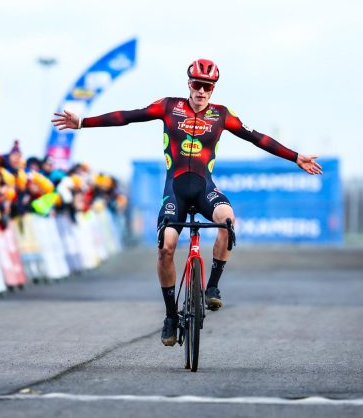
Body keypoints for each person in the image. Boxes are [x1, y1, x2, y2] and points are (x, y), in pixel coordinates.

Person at [52, 58, 322, 346]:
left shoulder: (222, 115)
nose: (201, 91)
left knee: (227, 220)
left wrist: (296, 157)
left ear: (213, 89)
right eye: (197, 85)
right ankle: (170, 316)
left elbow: (257, 138)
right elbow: (127, 116)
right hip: (176, 191)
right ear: (188, 84)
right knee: (166, 247)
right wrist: (82, 123)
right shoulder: (169, 107)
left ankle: (213, 287)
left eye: (207, 87)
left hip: (204, 188)